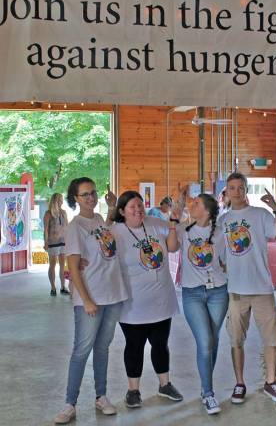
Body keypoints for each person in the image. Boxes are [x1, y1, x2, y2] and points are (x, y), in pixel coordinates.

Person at [54, 178, 128, 424]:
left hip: (112, 294)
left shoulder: (97, 220)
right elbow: (72, 267)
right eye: (85, 194)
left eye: (93, 193)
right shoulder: (75, 227)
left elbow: (104, 236)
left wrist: (112, 207)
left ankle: (101, 395)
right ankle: (69, 403)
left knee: (102, 348)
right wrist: (85, 300)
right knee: (81, 350)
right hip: (91, 297)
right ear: (76, 198)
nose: (91, 197)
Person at [218, 172, 276, 405]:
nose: (236, 192)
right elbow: (218, 254)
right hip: (236, 291)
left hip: (262, 289)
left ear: (246, 190)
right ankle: (240, 383)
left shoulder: (260, 215)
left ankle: (271, 381)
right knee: (236, 339)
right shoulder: (223, 221)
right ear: (226, 192)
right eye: (231, 188)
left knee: (272, 337)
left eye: (240, 187)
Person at [111, 190, 183, 408]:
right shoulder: (115, 231)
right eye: (132, 207)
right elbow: (102, 257)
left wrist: (173, 222)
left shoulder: (155, 223)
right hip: (133, 303)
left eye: (140, 205)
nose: (138, 210)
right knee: (134, 346)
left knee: (160, 344)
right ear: (122, 211)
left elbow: (172, 247)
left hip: (161, 299)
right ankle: (133, 390)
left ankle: (165, 385)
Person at [169, 193, 228, 415]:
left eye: (196, 204)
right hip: (192, 293)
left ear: (207, 210)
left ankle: (205, 390)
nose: (192, 206)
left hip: (218, 293)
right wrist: (174, 224)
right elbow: (172, 248)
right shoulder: (185, 229)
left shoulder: (221, 233)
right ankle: (209, 393)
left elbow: (226, 261)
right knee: (205, 342)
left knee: (213, 340)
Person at [43, 193, 69, 296]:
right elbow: (45, 230)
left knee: (63, 265)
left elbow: (67, 227)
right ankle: (53, 288)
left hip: (63, 241)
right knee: (52, 265)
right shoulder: (48, 213)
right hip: (52, 242)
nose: (61, 201)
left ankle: (63, 287)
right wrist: (45, 242)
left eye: (62, 200)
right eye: (59, 200)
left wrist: (70, 240)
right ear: (55, 201)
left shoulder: (64, 212)